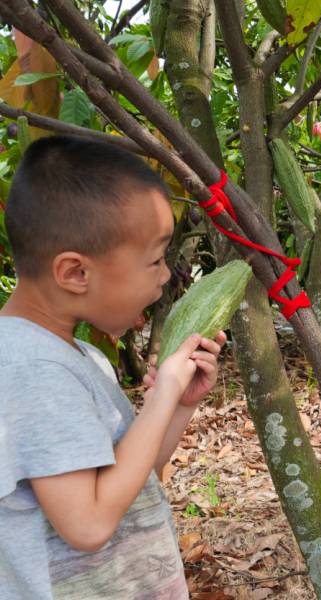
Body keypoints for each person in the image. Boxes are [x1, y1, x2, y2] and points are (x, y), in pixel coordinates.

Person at [0, 135, 227, 599]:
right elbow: (87, 523)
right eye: (155, 261)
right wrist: (161, 393)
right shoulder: (33, 371)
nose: (166, 276)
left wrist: (177, 407)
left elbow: (130, 478)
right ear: (75, 274)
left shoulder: (77, 357)